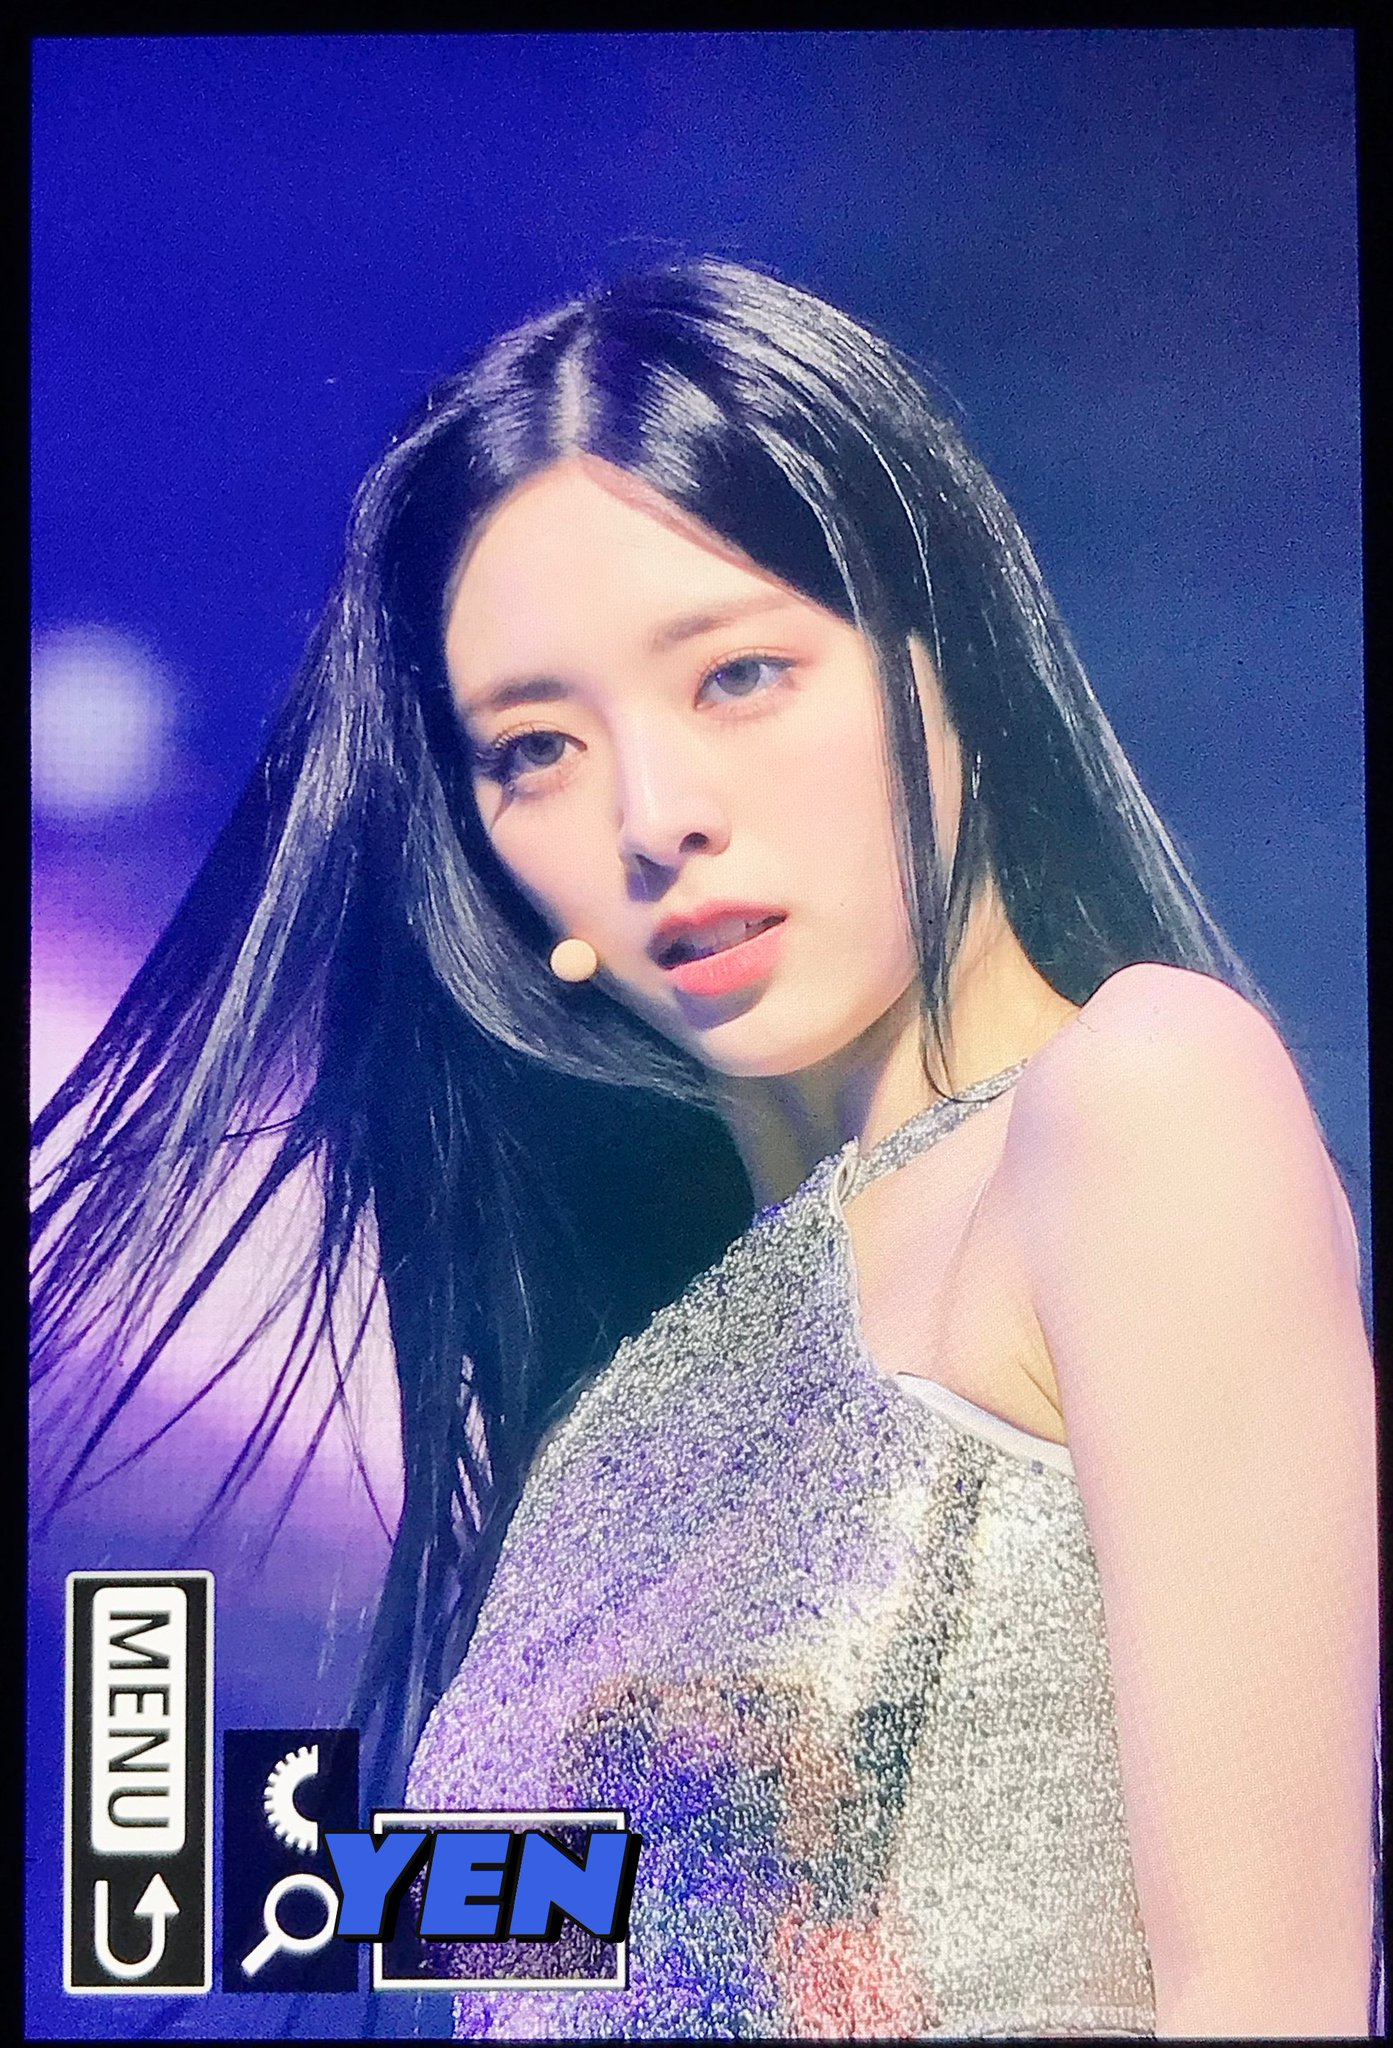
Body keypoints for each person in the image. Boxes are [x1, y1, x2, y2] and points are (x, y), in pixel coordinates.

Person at [31, 259, 1380, 2038]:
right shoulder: (628, 1404)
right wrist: (119, 1661)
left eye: (740, 674)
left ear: (951, 657)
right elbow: (607, 1930)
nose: (655, 816)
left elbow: (1274, 1993)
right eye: (536, 749)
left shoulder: (1134, 1104)